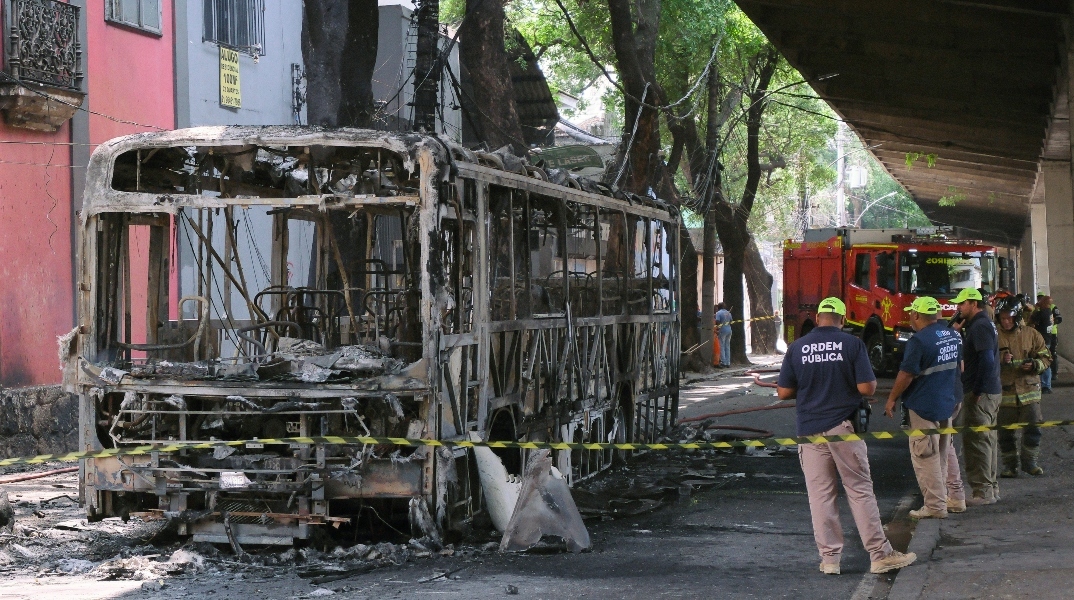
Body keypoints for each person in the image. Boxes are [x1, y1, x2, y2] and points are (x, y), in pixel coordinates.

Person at [777, 297, 916, 575]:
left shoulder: (797, 347)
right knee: (859, 490)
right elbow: (867, 388)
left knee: (821, 496)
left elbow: (783, 392)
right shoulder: (852, 344)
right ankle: (879, 555)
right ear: (842, 320)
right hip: (843, 428)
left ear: (818, 318)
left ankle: (830, 560)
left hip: (809, 430)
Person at [883, 297, 966, 518]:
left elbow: (906, 374)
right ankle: (946, 499)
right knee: (941, 455)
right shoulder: (952, 335)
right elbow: (960, 367)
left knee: (925, 456)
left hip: (924, 405)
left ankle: (935, 506)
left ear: (917, 315)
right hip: (947, 402)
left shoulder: (918, 341)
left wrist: (892, 398)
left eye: (911, 313)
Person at [952, 287, 1003, 506]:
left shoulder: (980, 326)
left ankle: (982, 492)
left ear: (973, 304)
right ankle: (990, 488)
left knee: (977, 443)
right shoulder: (983, 324)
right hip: (990, 391)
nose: (958, 308)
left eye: (961, 304)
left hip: (981, 394)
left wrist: (977, 390)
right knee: (987, 440)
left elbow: (986, 359)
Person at [995, 296, 1051, 477]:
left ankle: (1030, 463)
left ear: (1017, 317)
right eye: (1003, 318)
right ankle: (1009, 466)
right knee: (1005, 434)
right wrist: (1000, 359)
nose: (1006, 321)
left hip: (1029, 392)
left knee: (1033, 429)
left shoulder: (1031, 334)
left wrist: (1035, 365)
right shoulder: (993, 335)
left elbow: (1046, 358)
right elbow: (983, 360)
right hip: (1005, 393)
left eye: (1009, 318)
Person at [1031, 294, 1062, 393]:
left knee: (1043, 361)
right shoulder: (1049, 312)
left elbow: (1032, 321)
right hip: (1048, 339)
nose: (1039, 302)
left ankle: (1045, 385)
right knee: (1046, 360)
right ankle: (1046, 384)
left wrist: (1036, 309)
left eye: (1041, 300)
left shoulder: (1042, 313)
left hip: (1042, 340)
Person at [715, 303, 733, 368]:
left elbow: (717, 321)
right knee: (727, 346)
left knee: (721, 346)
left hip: (722, 330)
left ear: (718, 307)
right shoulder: (728, 313)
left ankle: (723, 362)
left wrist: (718, 328)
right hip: (729, 330)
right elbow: (731, 321)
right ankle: (728, 362)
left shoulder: (718, 313)